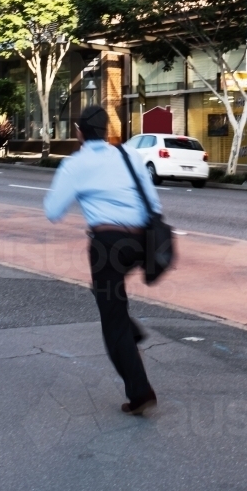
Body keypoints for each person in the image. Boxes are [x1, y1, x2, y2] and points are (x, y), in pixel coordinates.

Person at [43, 105, 162, 415]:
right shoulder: (129, 156)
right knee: (109, 298)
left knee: (112, 318)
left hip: (108, 245)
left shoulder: (76, 164)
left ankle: (140, 392)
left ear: (79, 131)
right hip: (142, 242)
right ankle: (129, 329)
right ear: (107, 131)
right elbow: (154, 201)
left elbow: (53, 211)